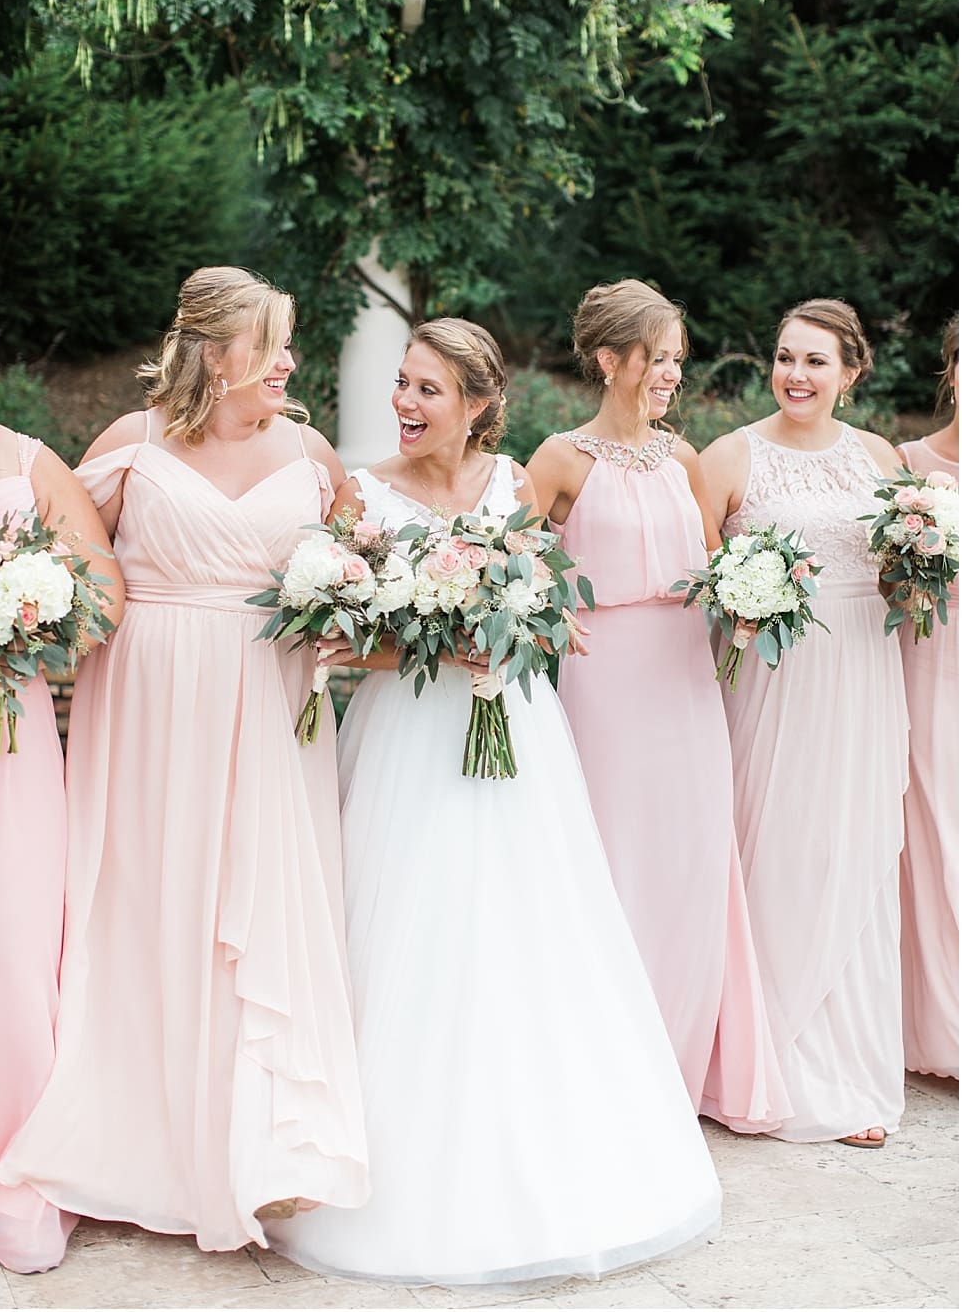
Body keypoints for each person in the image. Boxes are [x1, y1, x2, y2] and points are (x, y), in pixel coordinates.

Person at [281, 318, 720, 1286]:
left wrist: (515, 626)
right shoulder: (365, 494)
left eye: (426, 388)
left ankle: (545, 1154)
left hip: (516, 735)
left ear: (477, 405)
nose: (403, 402)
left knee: (531, 928)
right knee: (412, 928)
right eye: (402, 383)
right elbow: (340, 635)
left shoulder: (512, 484)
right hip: (404, 738)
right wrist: (432, 646)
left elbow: (544, 604)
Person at [0, 266, 370, 1255]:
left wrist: (344, 616)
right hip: (148, 709)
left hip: (270, 705)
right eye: (270, 343)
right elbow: (60, 566)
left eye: (288, 343)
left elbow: (350, 572)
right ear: (213, 350)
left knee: (260, 898)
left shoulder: (311, 454)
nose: (288, 361)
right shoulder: (132, 444)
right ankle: (144, 1137)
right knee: (154, 896)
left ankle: (264, 1145)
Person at [525, 281, 786, 1133]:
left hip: (685, 682)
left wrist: (755, 599)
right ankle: (610, 1069)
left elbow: (718, 568)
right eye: (658, 357)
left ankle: (680, 1065)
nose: (673, 372)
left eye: (677, 357)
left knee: (689, 863)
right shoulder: (558, 459)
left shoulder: (683, 460)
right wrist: (547, 609)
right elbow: (504, 566)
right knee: (614, 862)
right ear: (610, 360)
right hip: (603, 685)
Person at [697, 298, 908, 1147]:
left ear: (850, 373)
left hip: (861, 673)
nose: (794, 374)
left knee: (850, 848)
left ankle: (844, 1071)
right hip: (774, 681)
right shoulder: (727, 456)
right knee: (777, 848)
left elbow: (897, 576)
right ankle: (759, 1062)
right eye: (785, 356)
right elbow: (694, 580)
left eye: (815, 361)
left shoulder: (880, 457)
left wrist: (923, 572)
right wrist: (739, 602)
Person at [0, 298, 122, 1273]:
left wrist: (29, 619)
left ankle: (23, 1159)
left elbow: (105, 592)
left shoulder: (32, 463)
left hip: (14, 726)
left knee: (18, 942)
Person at [897, 316, 957, 1081]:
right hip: (929, 664)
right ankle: (936, 1024)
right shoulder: (908, 465)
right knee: (934, 838)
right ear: (949, 370)